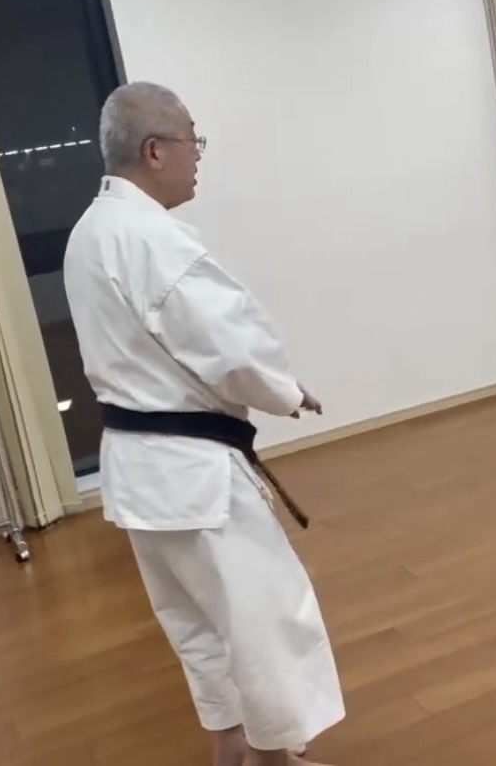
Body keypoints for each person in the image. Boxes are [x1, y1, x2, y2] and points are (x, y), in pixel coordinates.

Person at [62, 82, 343, 766]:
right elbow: (229, 348)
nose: (198, 157)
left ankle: (231, 745)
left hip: (138, 470)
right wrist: (285, 391)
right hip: (193, 474)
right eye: (193, 140)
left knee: (194, 620)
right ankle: (271, 757)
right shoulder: (153, 240)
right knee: (262, 617)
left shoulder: (90, 231)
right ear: (154, 150)